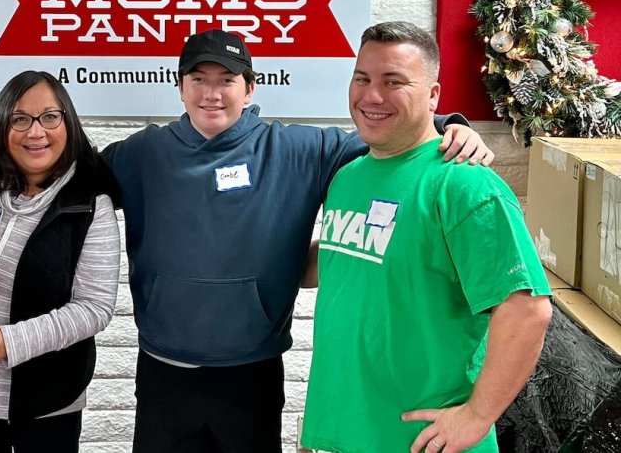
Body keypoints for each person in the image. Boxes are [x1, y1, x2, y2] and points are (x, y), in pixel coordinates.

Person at [99, 28, 497, 453]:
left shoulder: (295, 149)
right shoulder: (143, 153)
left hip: (252, 371)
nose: (211, 93)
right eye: (198, 79)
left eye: (227, 80)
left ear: (249, 88)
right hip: (163, 368)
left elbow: (388, 137)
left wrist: (447, 125)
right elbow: (71, 182)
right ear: (180, 87)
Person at [299, 21, 553, 453]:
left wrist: (476, 417)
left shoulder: (465, 187)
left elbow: (527, 310)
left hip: (422, 442)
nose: (371, 96)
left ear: (433, 96)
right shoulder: (347, 177)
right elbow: (347, 264)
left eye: (393, 81)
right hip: (339, 431)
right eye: (362, 78)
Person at [0, 70, 120, 453]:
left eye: (49, 117)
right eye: (19, 119)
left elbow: (94, 308)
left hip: (48, 402)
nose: (36, 132)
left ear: (68, 123)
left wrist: (8, 342)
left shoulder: (89, 206)